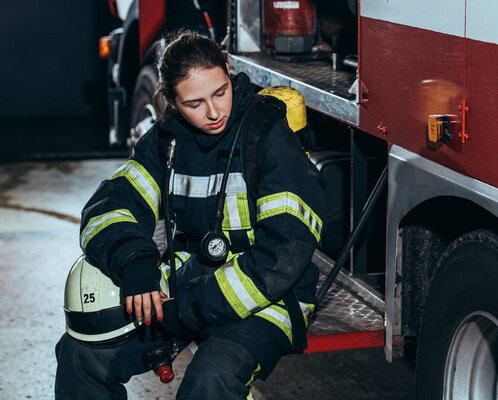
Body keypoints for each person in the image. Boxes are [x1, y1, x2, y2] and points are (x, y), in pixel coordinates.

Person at [55, 30, 325, 399]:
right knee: (80, 358)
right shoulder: (166, 141)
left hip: (265, 301)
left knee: (210, 379)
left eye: (220, 92)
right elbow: (109, 207)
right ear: (170, 101)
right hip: (185, 291)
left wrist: (191, 307)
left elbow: (284, 254)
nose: (214, 112)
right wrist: (134, 263)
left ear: (229, 71)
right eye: (195, 103)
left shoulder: (267, 133)